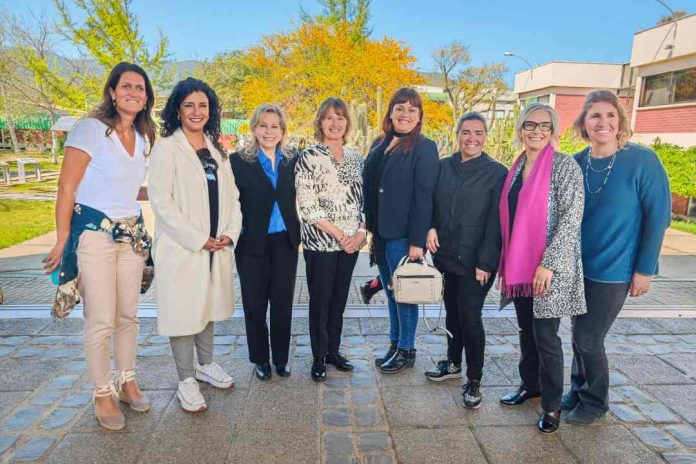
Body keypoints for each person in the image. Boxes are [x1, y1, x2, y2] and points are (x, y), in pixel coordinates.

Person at [42, 62, 155, 430]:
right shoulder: (91, 130)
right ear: (112, 91)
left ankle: (127, 380)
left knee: (128, 316)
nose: (134, 92)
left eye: (140, 88)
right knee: (101, 318)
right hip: (95, 236)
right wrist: (62, 239)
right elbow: (66, 188)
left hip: (132, 237)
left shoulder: (142, 137)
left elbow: (126, 187)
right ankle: (102, 393)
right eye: (127, 86)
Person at [562, 90, 671, 424]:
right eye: (595, 115)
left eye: (610, 115)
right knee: (578, 331)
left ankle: (596, 402)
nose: (603, 122)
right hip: (578, 267)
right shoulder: (578, 161)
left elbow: (659, 216)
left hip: (615, 270)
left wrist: (644, 269)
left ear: (621, 122)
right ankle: (579, 387)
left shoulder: (642, 161)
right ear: (583, 123)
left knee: (588, 337)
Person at [148, 78, 242, 412]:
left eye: (203, 105)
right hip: (184, 248)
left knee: (209, 306)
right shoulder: (166, 149)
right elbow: (162, 202)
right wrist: (198, 239)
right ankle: (186, 378)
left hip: (216, 246)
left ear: (211, 111)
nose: (196, 111)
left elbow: (233, 197)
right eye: (189, 105)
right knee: (184, 312)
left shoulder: (217, 148)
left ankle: (206, 364)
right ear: (177, 109)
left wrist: (231, 232)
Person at [497, 104, 586, 434]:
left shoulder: (564, 167)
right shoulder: (516, 167)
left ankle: (551, 405)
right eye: (530, 125)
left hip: (550, 269)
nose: (536, 131)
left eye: (544, 126)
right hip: (520, 268)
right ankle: (529, 385)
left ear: (554, 131)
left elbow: (571, 219)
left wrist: (548, 264)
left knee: (547, 337)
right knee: (526, 331)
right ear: (520, 129)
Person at [424, 112, 507, 409]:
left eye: (478, 133)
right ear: (457, 133)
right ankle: (452, 362)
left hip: (477, 263)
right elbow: (430, 204)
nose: (472, 138)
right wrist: (430, 226)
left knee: (470, 318)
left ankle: (474, 378)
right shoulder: (443, 166)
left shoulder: (498, 172)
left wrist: (486, 261)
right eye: (466, 132)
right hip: (446, 257)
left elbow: (497, 223)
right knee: (452, 313)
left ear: (486, 136)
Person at [363, 88, 439, 374]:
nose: (405, 113)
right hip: (380, 234)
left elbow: (424, 196)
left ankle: (407, 349)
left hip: (405, 236)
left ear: (419, 116)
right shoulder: (379, 142)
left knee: (405, 293)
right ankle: (395, 344)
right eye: (400, 107)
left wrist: (417, 242)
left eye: (412, 109)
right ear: (391, 111)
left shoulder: (424, 146)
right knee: (392, 293)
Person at [295, 97, 365, 381]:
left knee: (339, 301)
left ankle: (334, 352)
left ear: (347, 122)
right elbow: (308, 206)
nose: (335, 123)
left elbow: (364, 201)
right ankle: (318, 356)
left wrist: (360, 234)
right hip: (321, 244)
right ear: (320, 122)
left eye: (340, 117)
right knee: (320, 301)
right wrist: (339, 235)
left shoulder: (356, 157)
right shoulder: (309, 157)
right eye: (329, 118)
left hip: (350, 246)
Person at [230, 105, 300, 381]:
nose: (269, 131)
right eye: (263, 125)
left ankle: (281, 358)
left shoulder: (293, 160)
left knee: (282, 303)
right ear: (254, 128)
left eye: (275, 126)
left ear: (282, 131)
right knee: (255, 304)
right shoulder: (237, 162)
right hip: (251, 243)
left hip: (285, 241)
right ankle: (260, 359)